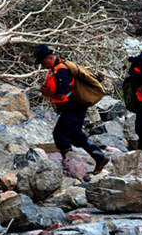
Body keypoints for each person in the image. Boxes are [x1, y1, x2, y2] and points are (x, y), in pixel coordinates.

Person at [34, 45, 109, 175]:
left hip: (73, 107)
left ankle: (68, 164)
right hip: (74, 107)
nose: (42, 65)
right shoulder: (56, 68)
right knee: (75, 135)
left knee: (59, 134)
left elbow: (62, 95)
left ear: (49, 58)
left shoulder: (62, 71)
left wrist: (48, 93)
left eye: (42, 62)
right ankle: (99, 157)